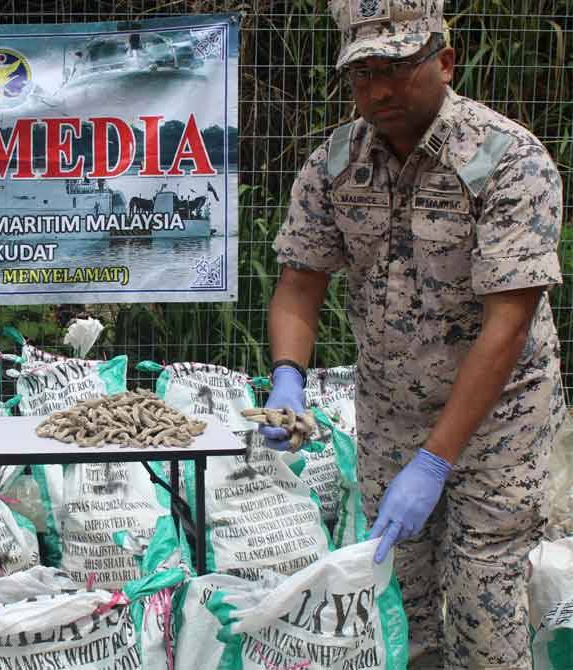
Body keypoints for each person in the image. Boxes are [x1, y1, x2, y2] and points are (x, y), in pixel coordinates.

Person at [259, 1, 565, 668]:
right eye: (363, 73)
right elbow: (300, 282)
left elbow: (509, 324)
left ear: (445, 62)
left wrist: (435, 462)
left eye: (397, 68)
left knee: (484, 608)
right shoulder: (335, 163)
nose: (379, 91)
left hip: (499, 423)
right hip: (392, 413)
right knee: (397, 609)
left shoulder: (507, 161)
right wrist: (288, 376)